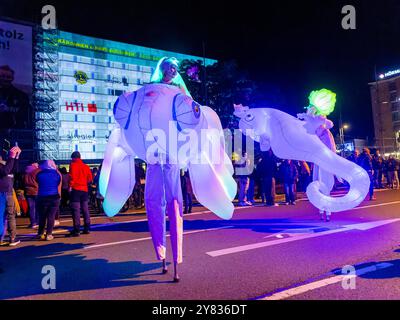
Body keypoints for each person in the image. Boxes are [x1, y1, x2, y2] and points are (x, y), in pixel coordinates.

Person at [144, 57, 192, 282]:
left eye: (175, 68)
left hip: (171, 148)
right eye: (169, 67)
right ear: (162, 68)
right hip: (154, 149)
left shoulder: (180, 89)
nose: (173, 71)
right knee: (154, 201)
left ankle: (176, 259)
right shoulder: (151, 88)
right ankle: (161, 254)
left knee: (174, 201)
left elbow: (191, 114)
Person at [34, 160, 62, 241]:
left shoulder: (39, 174)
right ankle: (49, 234)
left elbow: (37, 181)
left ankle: (40, 233)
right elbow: (58, 183)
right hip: (54, 197)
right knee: (51, 216)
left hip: (42, 197)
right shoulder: (57, 174)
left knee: (42, 216)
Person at [68, 151, 93, 237]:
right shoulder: (86, 166)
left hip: (76, 190)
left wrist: (70, 186)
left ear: (74, 158)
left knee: (76, 210)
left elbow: (72, 178)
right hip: (84, 190)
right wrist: (84, 183)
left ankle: (77, 229)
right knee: (85, 209)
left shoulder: (73, 165)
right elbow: (90, 178)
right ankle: (87, 228)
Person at [0, 146, 21, 247]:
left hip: (8, 193)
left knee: (10, 216)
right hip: (3, 193)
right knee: (5, 216)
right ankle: (7, 238)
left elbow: (14, 170)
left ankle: (11, 237)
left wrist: (16, 157)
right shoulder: (2, 168)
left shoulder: (5, 166)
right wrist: (12, 157)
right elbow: (6, 171)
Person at [24, 162, 39, 228]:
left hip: (28, 191)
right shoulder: (37, 171)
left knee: (31, 208)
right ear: (34, 165)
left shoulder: (26, 171)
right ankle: (37, 222)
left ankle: (33, 222)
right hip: (36, 191)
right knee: (38, 208)